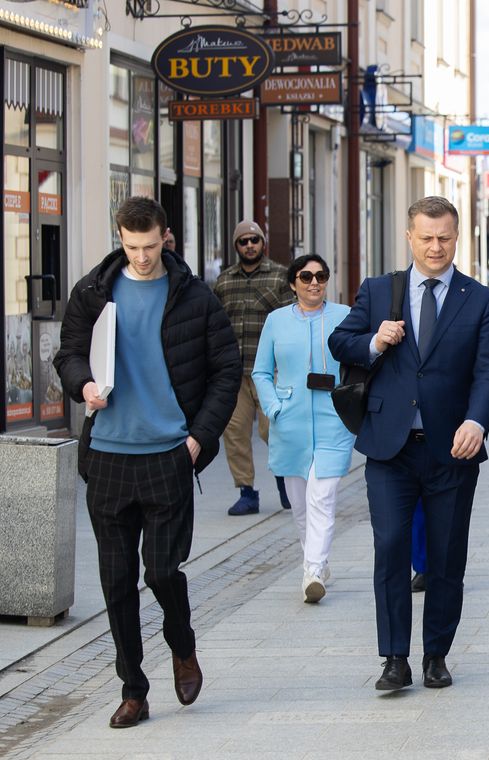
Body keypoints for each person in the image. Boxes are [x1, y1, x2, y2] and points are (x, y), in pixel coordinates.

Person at [53, 196, 241, 728]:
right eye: (131, 246)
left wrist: (198, 440)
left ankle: (182, 644)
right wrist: (81, 384)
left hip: (169, 455)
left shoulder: (196, 298)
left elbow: (227, 372)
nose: (140, 256)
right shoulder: (92, 292)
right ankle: (133, 689)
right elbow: (67, 353)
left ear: (165, 238)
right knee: (116, 582)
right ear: (120, 237)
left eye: (149, 245)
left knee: (161, 572)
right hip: (109, 456)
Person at [328, 196, 489, 692]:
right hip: (390, 448)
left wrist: (477, 421)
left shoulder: (480, 299)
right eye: (426, 238)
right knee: (389, 548)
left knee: (447, 556)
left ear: (457, 237)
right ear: (410, 237)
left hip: (453, 449)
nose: (435, 247)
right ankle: (394, 658)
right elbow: (341, 341)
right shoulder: (380, 289)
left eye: (444, 237)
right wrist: (375, 341)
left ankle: (436, 655)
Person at [252, 254, 354, 604]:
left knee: (322, 497)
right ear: (293, 282)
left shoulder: (344, 317)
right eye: (306, 276)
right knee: (299, 505)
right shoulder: (276, 321)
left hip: (333, 419)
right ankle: (316, 562)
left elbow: (359, 362)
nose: (315, 283)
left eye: (321, 276)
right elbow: (261, 372)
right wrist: (273, 407)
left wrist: (352, 403)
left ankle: (313, 569)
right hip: (290, 420)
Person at [213, 220, 295, 516]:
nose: (249, 245)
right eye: (243, 241)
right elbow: (216, 326)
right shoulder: (224, 281)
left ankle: (285, 480)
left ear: (263, 243)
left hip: (270, 372)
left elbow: (292, 320)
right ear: (236, 246)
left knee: (272, 429)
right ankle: (246, 492)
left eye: (254, 240)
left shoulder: (279, 277)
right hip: (234, 373)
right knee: (234, 434)